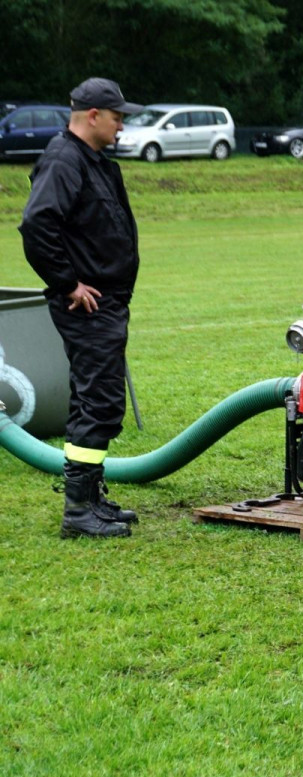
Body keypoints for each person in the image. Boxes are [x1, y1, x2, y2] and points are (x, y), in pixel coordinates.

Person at [19, 77, 144, 539]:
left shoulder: (90, 160)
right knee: (99, 402)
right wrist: (67, 283)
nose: (121, 126)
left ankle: (92, 499)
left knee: (100, 399)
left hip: (108, 303)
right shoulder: (63, 159)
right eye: (117, 117)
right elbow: (37, 225)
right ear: (93, 115)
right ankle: (78, 512)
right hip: (88, 307)